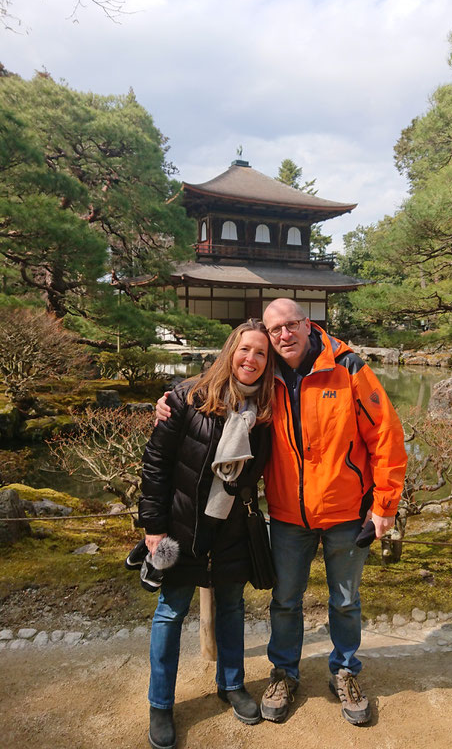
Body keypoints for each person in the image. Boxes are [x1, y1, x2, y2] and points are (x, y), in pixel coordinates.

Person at [156, 298, 407, 727]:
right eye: (275, 331)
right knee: (285, 600)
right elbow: (223, 381)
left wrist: (384, 504)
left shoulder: (347, 368)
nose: (284, 335)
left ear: (308, 325)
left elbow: (385, 432)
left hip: (346, 509)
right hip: (289, 514)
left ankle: (344, 671)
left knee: (345, 601)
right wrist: (168, 400)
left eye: (292, 325)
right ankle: (284, 674)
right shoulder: (268, 375)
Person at [140, 319, 274, 749]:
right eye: (245, 349)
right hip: (182, 525)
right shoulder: (187, 397)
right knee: (170, 611)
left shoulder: (267, 413)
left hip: (232, 528)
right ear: (230, 350)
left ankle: (231, 683)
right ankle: (160, 703)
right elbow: (157, 464)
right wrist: (153, 527)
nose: (251, 359)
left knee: (233, 608)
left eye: (261, 353)